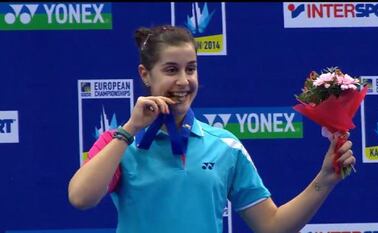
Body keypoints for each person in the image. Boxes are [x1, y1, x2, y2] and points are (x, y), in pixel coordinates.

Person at [68, 24, 356, 233]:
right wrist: (130, 128)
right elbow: (81, 198)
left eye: (190, 69)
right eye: (171, 70)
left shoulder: (225, 146)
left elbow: (272, 226)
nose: (183, 81)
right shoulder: (119, 141)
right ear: (145, 75)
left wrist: (325, 178)